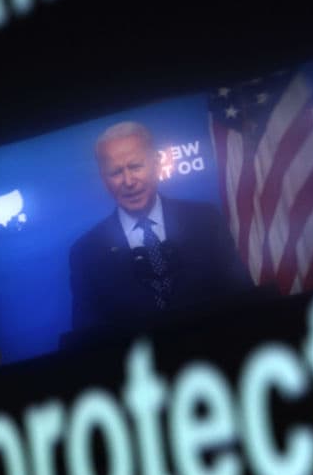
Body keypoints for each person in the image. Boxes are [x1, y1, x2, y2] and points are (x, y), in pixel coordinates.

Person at [69, 121, 249, 332]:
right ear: (103, 179)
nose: (128, 181)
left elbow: (243, 297)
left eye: (135, 166)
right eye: (116, 172)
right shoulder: (86, 253)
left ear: (156, 164)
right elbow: (88, 337)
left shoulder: (206, 220)